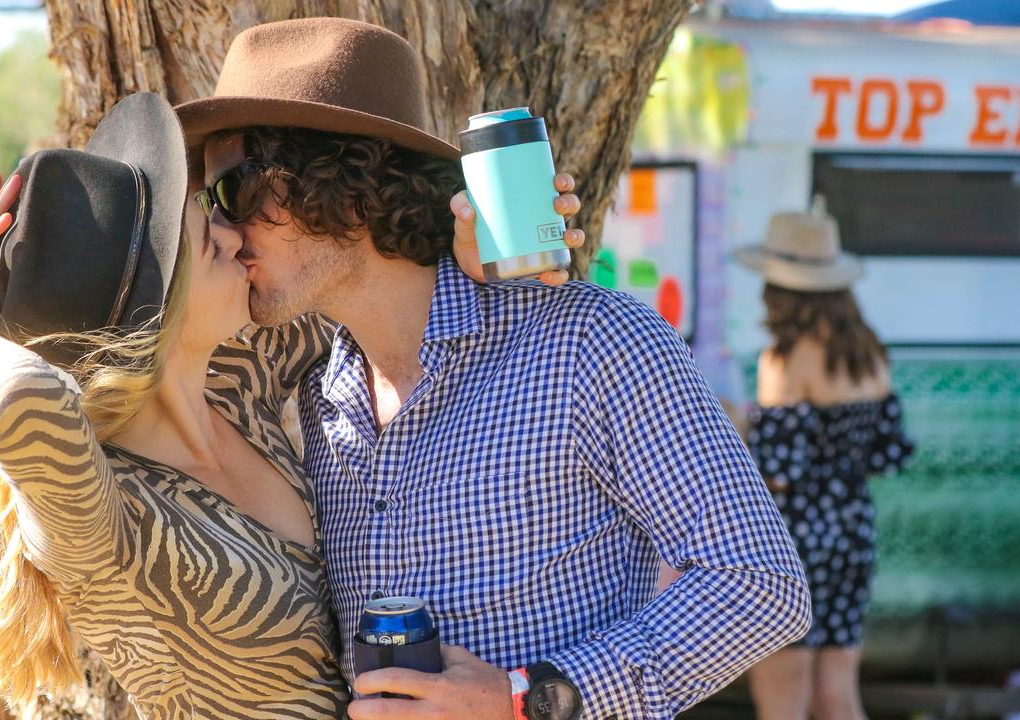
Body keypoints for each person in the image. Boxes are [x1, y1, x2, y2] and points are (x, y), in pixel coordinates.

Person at [175, 17, 811, 720]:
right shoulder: (315, 397)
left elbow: (761, 586)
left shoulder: (589, 342)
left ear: (341, 186)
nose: (224, 231)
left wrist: (524, 700)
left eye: (231, 193)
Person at [0, 94, 582, 718]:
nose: (234, 237)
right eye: (208, 239)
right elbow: (27, 397)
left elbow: (359, 279)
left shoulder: (235, 385)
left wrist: (461, 241)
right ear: (156, 321)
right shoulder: (102, 511)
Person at [735, 208, 914, 720]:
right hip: (855, 527)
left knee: (784, 702)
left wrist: (740, 429)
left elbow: (777, 471)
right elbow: (888, 453)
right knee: (837, 695)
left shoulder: (785, 360)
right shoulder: (869, 353)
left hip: (795, 539)